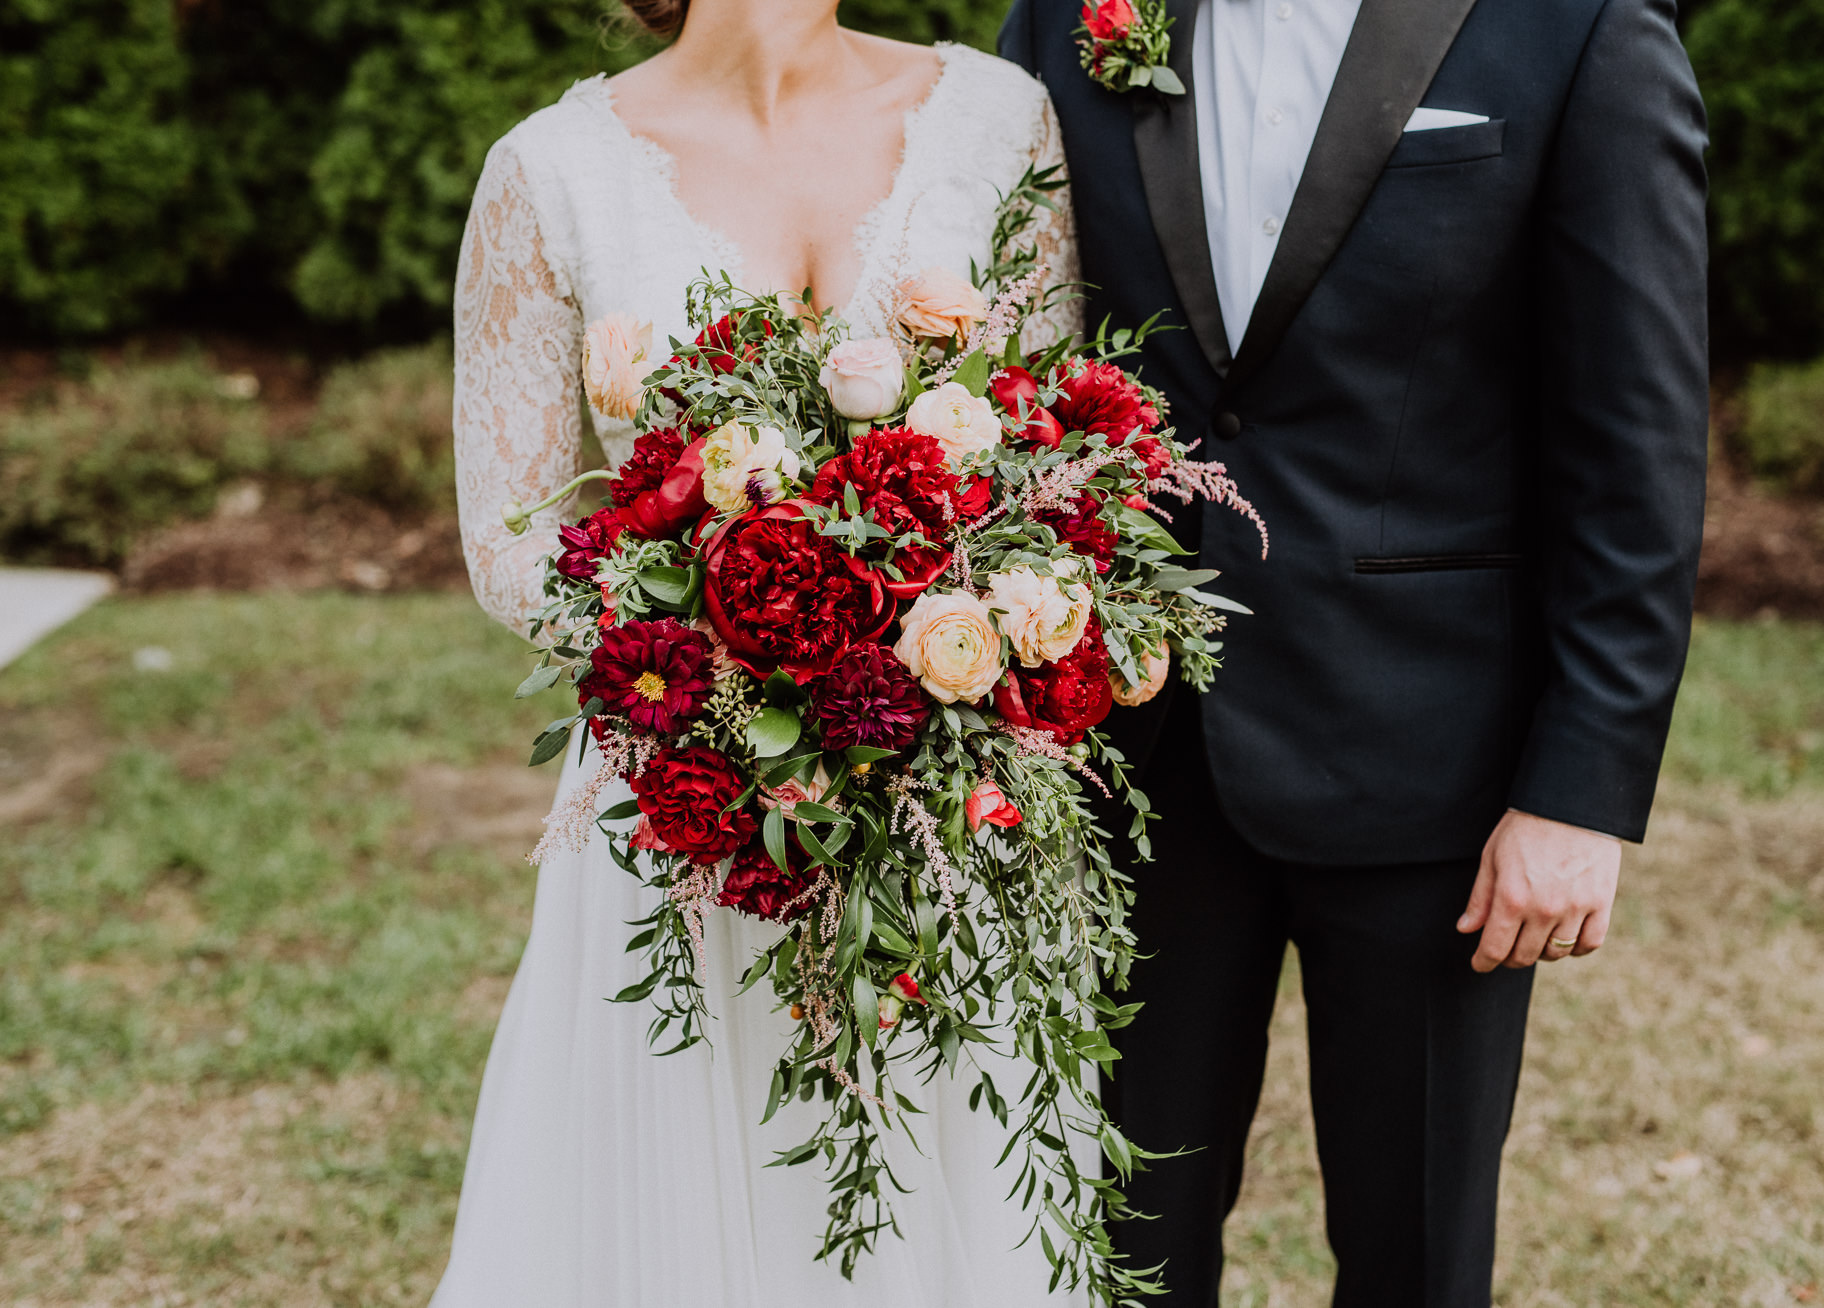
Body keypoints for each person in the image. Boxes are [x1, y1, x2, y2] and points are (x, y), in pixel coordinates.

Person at [1000, 0, 1708, 1304]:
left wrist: (1580, 789)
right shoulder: (1067, 14)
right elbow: (1000, 337)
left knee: (1416, 1255)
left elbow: (1638, 445)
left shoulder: (1578, 27)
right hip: (1128, 759)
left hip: (1433, 762)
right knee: (1112, 1250)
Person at [439, 1, 1083, 1302]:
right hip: (684, 812)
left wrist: (922, 662)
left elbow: (1048, 454)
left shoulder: (997, 120)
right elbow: (511, 543)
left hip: (940, 792)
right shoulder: (551, 174)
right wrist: (740, 682)